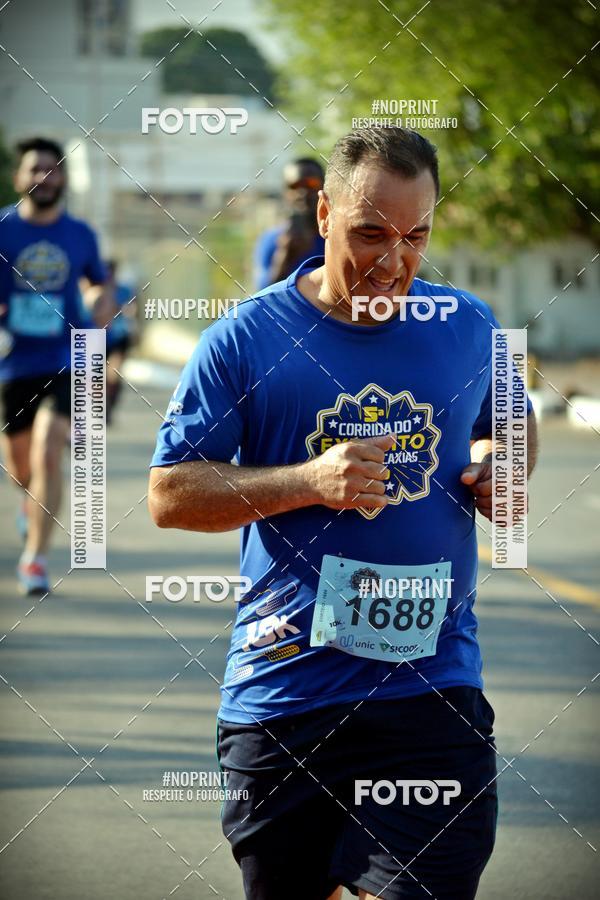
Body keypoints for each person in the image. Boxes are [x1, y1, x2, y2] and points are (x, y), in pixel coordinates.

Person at [149, 127, 538, 900]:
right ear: (323, 212)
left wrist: (507, 467)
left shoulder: (468, 324)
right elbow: (170, 494)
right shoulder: (245, 339)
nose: (392, 261)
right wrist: (307, 481)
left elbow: (512, 424)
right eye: (368, 232)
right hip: (288, 698)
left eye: (415, 236)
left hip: (430, 691)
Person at [0, 136, 112, 595]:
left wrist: (101, 305)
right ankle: (31, 506)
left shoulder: (80, 234)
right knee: (20, 467)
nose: (43, 177)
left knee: (50, 448)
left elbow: (100, 286)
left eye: (52, 168)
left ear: (62, 178)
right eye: (34, 169)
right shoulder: (4, 229)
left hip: (68, 359)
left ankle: (35, 560)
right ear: (19, 177)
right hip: (13, 362)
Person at [254, 157, 325, 289]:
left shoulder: (337, 237)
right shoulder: (271, 240)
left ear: (324, 187)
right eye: (294, 186)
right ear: (285, 192)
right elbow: (262, 297)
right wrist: (285, 255)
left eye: (311, 184)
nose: (302, 192)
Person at [104, 259, 138, 425]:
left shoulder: (124, 290)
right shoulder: (95, 288)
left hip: (119, 336)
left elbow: (131, 310)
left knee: (114, 374)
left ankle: (110, 405)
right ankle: (101, 406)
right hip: (99, 337)